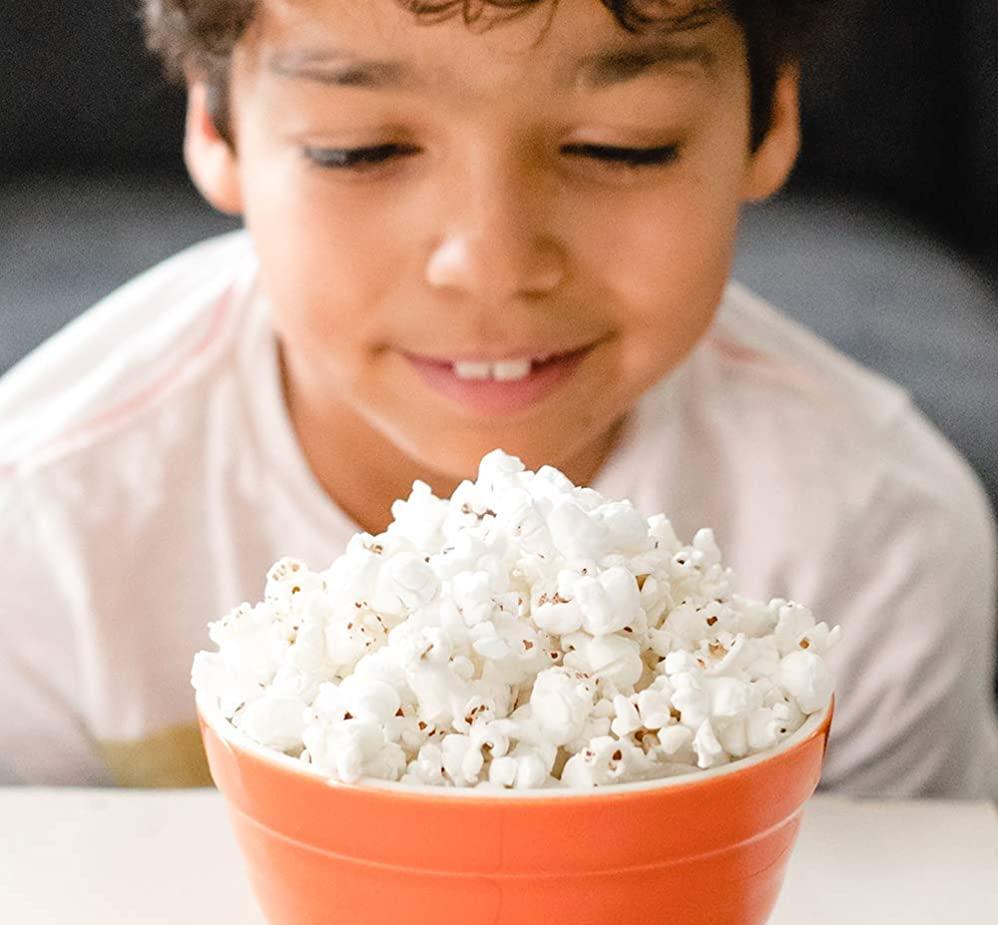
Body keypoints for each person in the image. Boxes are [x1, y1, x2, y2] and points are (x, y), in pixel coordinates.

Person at [1, 0, 995, 794]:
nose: (492, 261)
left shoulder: (871, 545)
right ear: (214, 124)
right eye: (361, 148)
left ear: (767, 119)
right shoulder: (42, 525)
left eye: (620, 145)